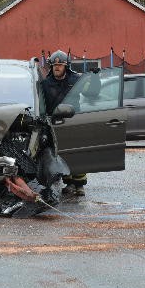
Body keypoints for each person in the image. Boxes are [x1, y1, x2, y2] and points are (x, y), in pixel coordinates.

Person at [41, 49, 99, 197]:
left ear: (65, 66)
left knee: (77, 154)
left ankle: (80, 186)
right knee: (62, 154)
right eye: (54, 66)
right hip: (55, 123)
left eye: (60, 65)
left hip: (74, 121)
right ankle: (69, 184)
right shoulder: (46, 84)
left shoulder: (76, 80)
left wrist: (95, 78)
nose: (57, 68)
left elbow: (92, 93)